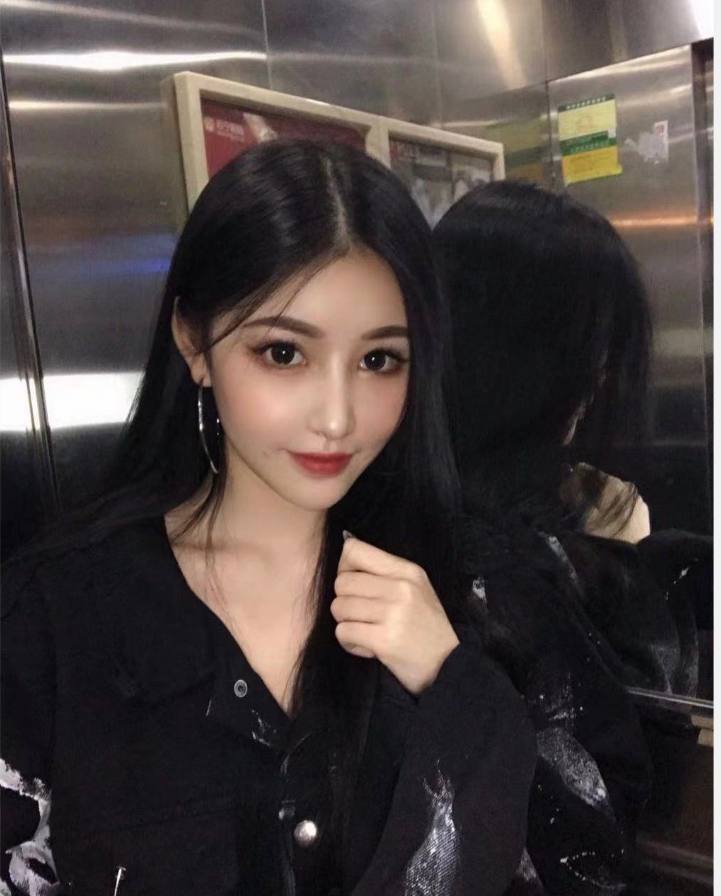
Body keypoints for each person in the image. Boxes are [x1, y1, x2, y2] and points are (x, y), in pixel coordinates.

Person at [1, 141, 536, 896]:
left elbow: (578, 849)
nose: (337, 418)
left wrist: (457, 691)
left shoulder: (470, 588)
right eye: (284, 353)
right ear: (195, 342)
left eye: (379, 360)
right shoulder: (54, 616)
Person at [434, 180, 710, 894]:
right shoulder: (488, 568)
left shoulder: (588, 503)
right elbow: (598, 799)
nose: (599, 377)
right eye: (586, 348)